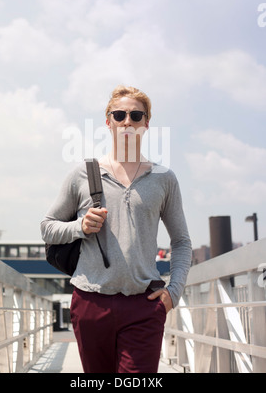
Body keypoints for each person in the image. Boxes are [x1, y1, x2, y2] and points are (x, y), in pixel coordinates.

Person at [41, 85, 192, 373]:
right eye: (119, 114)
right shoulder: (82, 174)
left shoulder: (164, 179)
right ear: (107, 121)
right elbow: (47, 227)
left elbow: (182, 242)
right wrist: (79, 227)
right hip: (90, 302)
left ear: (146, 123)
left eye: (136, 115)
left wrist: (174, 292)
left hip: (144, 305)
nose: (127, 121)